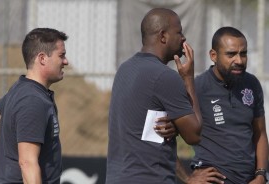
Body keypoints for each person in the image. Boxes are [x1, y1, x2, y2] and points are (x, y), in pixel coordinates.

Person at [106, 8, 204, 184]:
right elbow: (194, 135)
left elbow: (150, 135)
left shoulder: (124, 70)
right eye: (179, 32)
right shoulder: (164, 76)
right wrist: (188, 78)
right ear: (163, 36)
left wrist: (175, 125)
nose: (183, 38)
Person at [184, 26, 269, 184]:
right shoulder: (198, 87)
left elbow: (260, 134)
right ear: (213, 55)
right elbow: (165, 134)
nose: (239, 60)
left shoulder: (252, 84)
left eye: (243, 54)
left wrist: (261, 175)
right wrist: (186, 178)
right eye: (231, 54)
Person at [0, 28, 68, 183]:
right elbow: (27, 163)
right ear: (42, 58)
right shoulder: (32, 100)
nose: (66, 61)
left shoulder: (21, 89)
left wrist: (19, 131)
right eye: (61, 55)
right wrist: (24, 132)